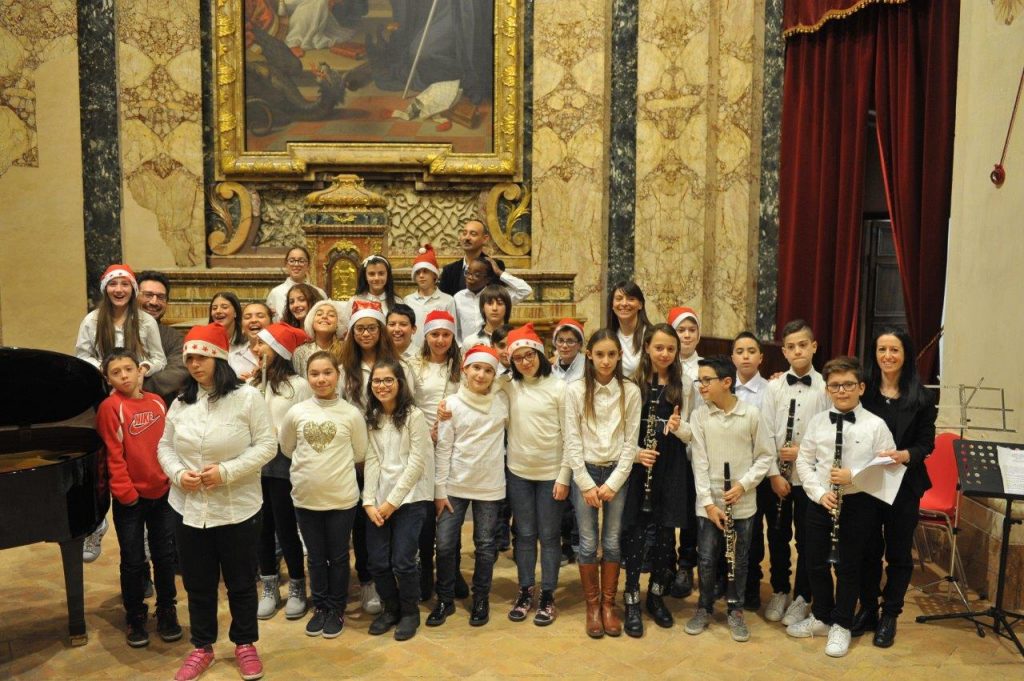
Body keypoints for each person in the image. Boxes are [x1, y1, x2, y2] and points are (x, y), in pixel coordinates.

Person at [157, 322, 276, 681]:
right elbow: (164, 446)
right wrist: (179, 474)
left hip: (237, 506)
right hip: (189, 507)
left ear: (219, 360)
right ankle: (202, 646)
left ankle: (245, 643)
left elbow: (267, 446)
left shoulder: (247, 398)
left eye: (201, 358)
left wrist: (226, 472)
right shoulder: (181, 402)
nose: (194, 365)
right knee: (198, 583)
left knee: (241, 581)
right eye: (189, 358)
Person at [791, 356, 900, 658]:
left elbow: (888, 464)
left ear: (861, 388)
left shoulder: (876, 425)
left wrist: (854, 475)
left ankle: (842, 623)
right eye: (835, 385)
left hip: (857, 503)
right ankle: (822, 616)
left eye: (848, 385)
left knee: (849, 566)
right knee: (814, 561)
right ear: (827, 389)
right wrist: (818, 493)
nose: (841, 391)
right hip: (822, 501)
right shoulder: (817, 422)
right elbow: (804, 460)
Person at [852, 328, 937, 648]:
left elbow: (926, 444)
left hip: (905, 483)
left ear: (905, 354)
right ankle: (868, 607)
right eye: (882, 349)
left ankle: (890, 614)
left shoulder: (922, 397)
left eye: (894, 350)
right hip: (868, 482)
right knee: (867, 550)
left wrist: (904, 455)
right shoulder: (864, 391)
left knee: (899, 553)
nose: (887, 356)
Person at [77, 264, 167, 563]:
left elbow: (158, 358)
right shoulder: (92, 320)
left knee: (135, 457)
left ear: (133, 289)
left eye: (124, 284)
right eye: (113, 284)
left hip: (135, 396)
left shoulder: (145, 322)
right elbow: (82, 354)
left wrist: (142, 369)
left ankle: (145, 531)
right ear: (106, 289)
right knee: (105, 461)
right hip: (104, 395)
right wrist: (104, 370)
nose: (119, 289)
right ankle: (96, 523)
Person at [279, 351, 369, 640]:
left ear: (337, 375)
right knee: (316, 557)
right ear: (307, 377)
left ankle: (336, 608)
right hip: (306, 498)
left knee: (339, 556)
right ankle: (320, 606)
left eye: (327, 373)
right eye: (314, 373)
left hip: (341, 498)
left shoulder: (351, 414)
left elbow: (359, 452)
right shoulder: (297, 412)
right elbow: (287, 448)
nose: (321, 379)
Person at [684, 356, 774, 642]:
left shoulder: (751, 414)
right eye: (699, 380)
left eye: (706, 380)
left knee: (740, 558)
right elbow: (699, 462)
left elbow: (765, 457)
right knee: (707, 557)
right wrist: (708, 503)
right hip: (709, 501)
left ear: (726, 382)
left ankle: (736, 610)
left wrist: (743, 485)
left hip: (742, 500)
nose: (701, 386)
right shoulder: (700, 416)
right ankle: (704, 607)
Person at [97, 350, 180, 648]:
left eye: (128, 369)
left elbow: (168, 443)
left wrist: (170, 477)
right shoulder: (110, 407)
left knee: (164, 555)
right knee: (133, 560)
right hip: (130, 499)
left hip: (162, 492)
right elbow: (113, 453)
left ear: (140, 370)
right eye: (116, 372)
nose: (124, 376)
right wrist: (125, 492)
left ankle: (167, 609)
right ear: (108, 379)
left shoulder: (157, 401)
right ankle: (135, 614)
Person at [563, 329, 641, 638]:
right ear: (589, 356)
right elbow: (571, 440)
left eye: (611, 354)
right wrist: (584, 483)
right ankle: (592, 606)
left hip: (616, 474)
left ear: (619, 356)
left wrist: (614, 482)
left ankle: (609, 605)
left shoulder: (630, 391)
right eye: (599, 354)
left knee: (611, 541)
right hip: (585, 472)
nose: (605, 360)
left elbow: (630, 443)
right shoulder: (576, 390)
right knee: (586, 542)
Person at [427, 345, 510, 628]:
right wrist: (439, 490)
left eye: (488, 370)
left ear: (494, 375)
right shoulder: (451, 404)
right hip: (454, 485)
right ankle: (445, 598)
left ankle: (481, 598)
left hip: (490, 485)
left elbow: (513, 381)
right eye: (476, 368)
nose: (481, 375)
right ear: (465, 369)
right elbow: (443, 448)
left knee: (485, 546)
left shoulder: (502, 401)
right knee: (445, 545)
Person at [338, 300, 411, 614]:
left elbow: (409, 405)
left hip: (392, 453)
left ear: (381, 331)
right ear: (352, 333)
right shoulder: (345, 370)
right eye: (360, 329)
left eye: (371, 328)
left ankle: (398, 580)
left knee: (393, 518)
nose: (366, 334)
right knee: (363, 521)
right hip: (357, 456)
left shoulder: (398, 365)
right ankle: (369, 580)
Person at [620, 324, 692, 637]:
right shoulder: (632, 384)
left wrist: (678, 427)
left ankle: (656, 594)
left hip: (671, 466)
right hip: (640, 466)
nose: (664, 354)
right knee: (635, 533)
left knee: (665, 535)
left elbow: (693, 432)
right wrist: (637, 454)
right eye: (659, 347)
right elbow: (620, 430)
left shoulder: (684, 385)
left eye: (670, 349)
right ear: (647, 347)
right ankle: (631, 597)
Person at [758, 319, 831, 626]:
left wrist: (803, 451)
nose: (798, 351)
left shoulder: (827, 388)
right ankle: (779, 589)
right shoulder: (774, 387)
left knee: (807, 539)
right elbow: (764, 432)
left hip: (809, 479)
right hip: (777, 476)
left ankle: (802, 596)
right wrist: (774, 474)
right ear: (784, 352)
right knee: (777, 536)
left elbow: (829, 434)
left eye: (803, 345)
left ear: (814, 347)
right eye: (791, 347)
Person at [498, 324, 570, 626]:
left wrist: (564, 475)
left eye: (530, 355)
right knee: (525, 535)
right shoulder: (508, 385)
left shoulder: (559, 388)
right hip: (519, 473)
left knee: (550, 536)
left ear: (540, 354)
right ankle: (526, 590)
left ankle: (548, 595)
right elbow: (478, 379)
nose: (525, 362)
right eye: (518, 358)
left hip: (551, 473)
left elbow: (570, 435)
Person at [363, 359, 434, 641]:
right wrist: (368, 501)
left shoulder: (414, 416)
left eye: (388, 380)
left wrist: (392, 502)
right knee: (378, 562)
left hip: (410, 499)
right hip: (379, 500)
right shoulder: (372, 416)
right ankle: (390, 609)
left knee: (403, 561)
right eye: (376, 381)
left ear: (400, 383)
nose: (382, 386)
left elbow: (416, 464)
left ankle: (409, 612)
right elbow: (372, 459)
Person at [250, 323, 313, 622]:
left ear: (278, 350)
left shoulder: (298, 385)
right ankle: (269, 585)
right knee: (261, 528)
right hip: (255, 466)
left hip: (284, 464)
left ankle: (297, 584)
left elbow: (303, 424)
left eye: (262, 344)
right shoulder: (253, 384)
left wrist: (280, 434)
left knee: (286, 527)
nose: (256, 350)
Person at [408, 310, 466, 602]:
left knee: (448, 510)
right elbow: (408, 402)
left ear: (452, 337)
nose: (440, 340)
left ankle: (451, 570)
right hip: (423, 443)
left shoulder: (461, 366)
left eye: (445, 335)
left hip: (453, 447)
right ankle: (424, 572)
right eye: (435, 334)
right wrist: (425, 430)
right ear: (426, 336)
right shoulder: (414, 365)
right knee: (425, 514)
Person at [730, 331, 773, 610]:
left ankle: (751, 584)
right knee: (725, 529)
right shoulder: (724, 387)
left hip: (757, 473)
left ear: (761, 357)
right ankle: (725, 580)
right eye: (740, 351)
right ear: (732, 357)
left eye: (751, 351)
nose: (745, 356)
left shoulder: (771, 390)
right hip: (727, 469)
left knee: (753, 533)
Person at [664, 307, 701, 600]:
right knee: (666, 509)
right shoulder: (662, 365)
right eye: (681, 330)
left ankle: (686, 565)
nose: (687, 335)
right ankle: (665, 563)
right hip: (668, 448)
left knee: (689, 512)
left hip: (693, 448)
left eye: (692, 330)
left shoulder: (705, 369)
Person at [453, 255, 531, 347]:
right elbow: (456, 328)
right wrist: (461, 347)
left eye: (476, 275)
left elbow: (525, 290)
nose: (470, 277)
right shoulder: (458, 297)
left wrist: (499, 273)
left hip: (496, 347)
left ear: (487, 279)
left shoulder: (496, 296)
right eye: (468, 273)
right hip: (468, 349)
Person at [137, 270, 188, 406]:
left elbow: (178, 372)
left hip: (161, 408)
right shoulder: (117, 330)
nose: (154, 302)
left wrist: (134, 387)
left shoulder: (174, 338)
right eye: (148, 295)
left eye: (160, 297)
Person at [406, 243, 455, 349]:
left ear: (434, 274)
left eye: (425, 271)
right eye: (418, 272)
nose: (421, 275)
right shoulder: (408, 300)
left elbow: (452, 330)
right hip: (412, 352)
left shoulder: (447, 300)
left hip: (438, 351)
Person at [439, 219, 507, 295]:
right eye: (464, 233)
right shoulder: (449, 270)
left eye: (473, 234)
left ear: (485, 239)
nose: (467, 238)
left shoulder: (494, 266)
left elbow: (497, 296)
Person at [606, 281, 653, 379]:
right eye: (619, 299)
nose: (624, 303)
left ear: (640, 305)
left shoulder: (651, 335)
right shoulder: (607, 336)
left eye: (631, 299)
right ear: (612, 305)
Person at [266, 246, 326, 322]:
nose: (296, 264)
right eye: (292, 261)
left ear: (308, 265)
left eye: (301, 261)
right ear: (286, 264)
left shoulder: (319, 292)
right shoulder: (276, 293)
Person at [292, 299, 347, 375]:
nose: (324, 316)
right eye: (319, 314)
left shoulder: (347, 351)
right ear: (311, 322)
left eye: (331, 315)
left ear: (339, 323)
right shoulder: (300, 353)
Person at [230, 302, 273, 379]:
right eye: (247, 317)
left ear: (271, 323)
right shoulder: (231, 359)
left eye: (260, 316)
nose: (253, 320)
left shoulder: (281, 357)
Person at [461, 284, 511, 349]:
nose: (494, 308)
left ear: (507, 308)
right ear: (482, 307)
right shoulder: (470, 342)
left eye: (500, 303)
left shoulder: (516, 338)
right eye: (490, 303)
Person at [550, 318, 585, 383]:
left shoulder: (588, 366)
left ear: (580, 345)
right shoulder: (551, 367)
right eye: (560, 341)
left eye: (570, 341)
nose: (564, 346)